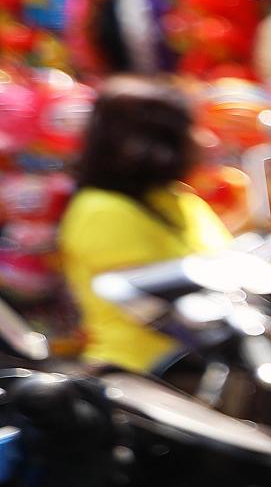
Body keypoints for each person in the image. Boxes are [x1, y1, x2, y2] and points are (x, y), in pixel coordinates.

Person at [56, 75, 230, 370]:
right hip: (143, 385)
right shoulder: (101, 211)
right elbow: (152, 308)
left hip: (203, 379)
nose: (206, 140)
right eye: (190, 129)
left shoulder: (178, 199)